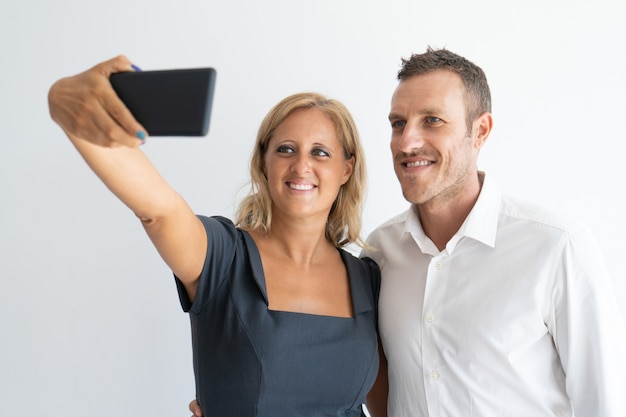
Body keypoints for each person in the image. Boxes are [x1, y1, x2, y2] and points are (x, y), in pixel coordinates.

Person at [187, 46, 626, 417]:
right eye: (398, 123)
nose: (406, 141)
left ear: (481, 130)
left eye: (432, 120)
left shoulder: (555, 247)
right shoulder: (377, 257)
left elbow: (604, 402)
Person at [47, 55, 384, 417]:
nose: (302, 166)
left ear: (346, 168)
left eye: (320, 152)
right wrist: (61, 98)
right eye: (286, 149)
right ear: (263, 161)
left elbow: (384, 403)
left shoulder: (368, 278)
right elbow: (158, 210)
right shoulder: (222, 258)